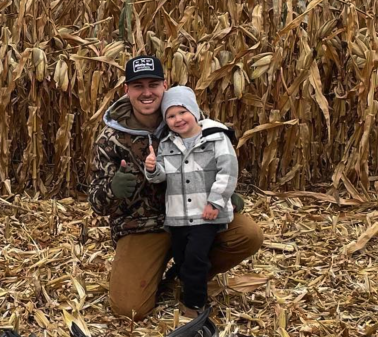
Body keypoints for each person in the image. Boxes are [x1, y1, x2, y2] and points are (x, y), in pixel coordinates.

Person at [85, 55, 264, 321]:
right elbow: (97, 204)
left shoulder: (189, 120)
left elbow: (223, 161)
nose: (147, 92)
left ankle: (187, 277)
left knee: (248, 234)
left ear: (164, 86)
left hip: (193, 215)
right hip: (143, 226)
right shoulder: (111, 138)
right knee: (129, 310)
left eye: (153, 84)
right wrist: (113, 189)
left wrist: (223, 193)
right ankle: (163, 274)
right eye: (138, 86)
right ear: (127, 90)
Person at [143, 86, 236, 317]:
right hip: (178, 216)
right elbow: (162, 176)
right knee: (184, 258)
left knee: (195, 259)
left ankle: (194, 306)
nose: (177, 119)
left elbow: (228, 171)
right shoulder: (166, 144)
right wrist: (153, 169)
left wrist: (216, 202)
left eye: (182, 112)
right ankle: (183, 288)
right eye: (171, 116)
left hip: (205, 214)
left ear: (194, 111)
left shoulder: (216, 138)